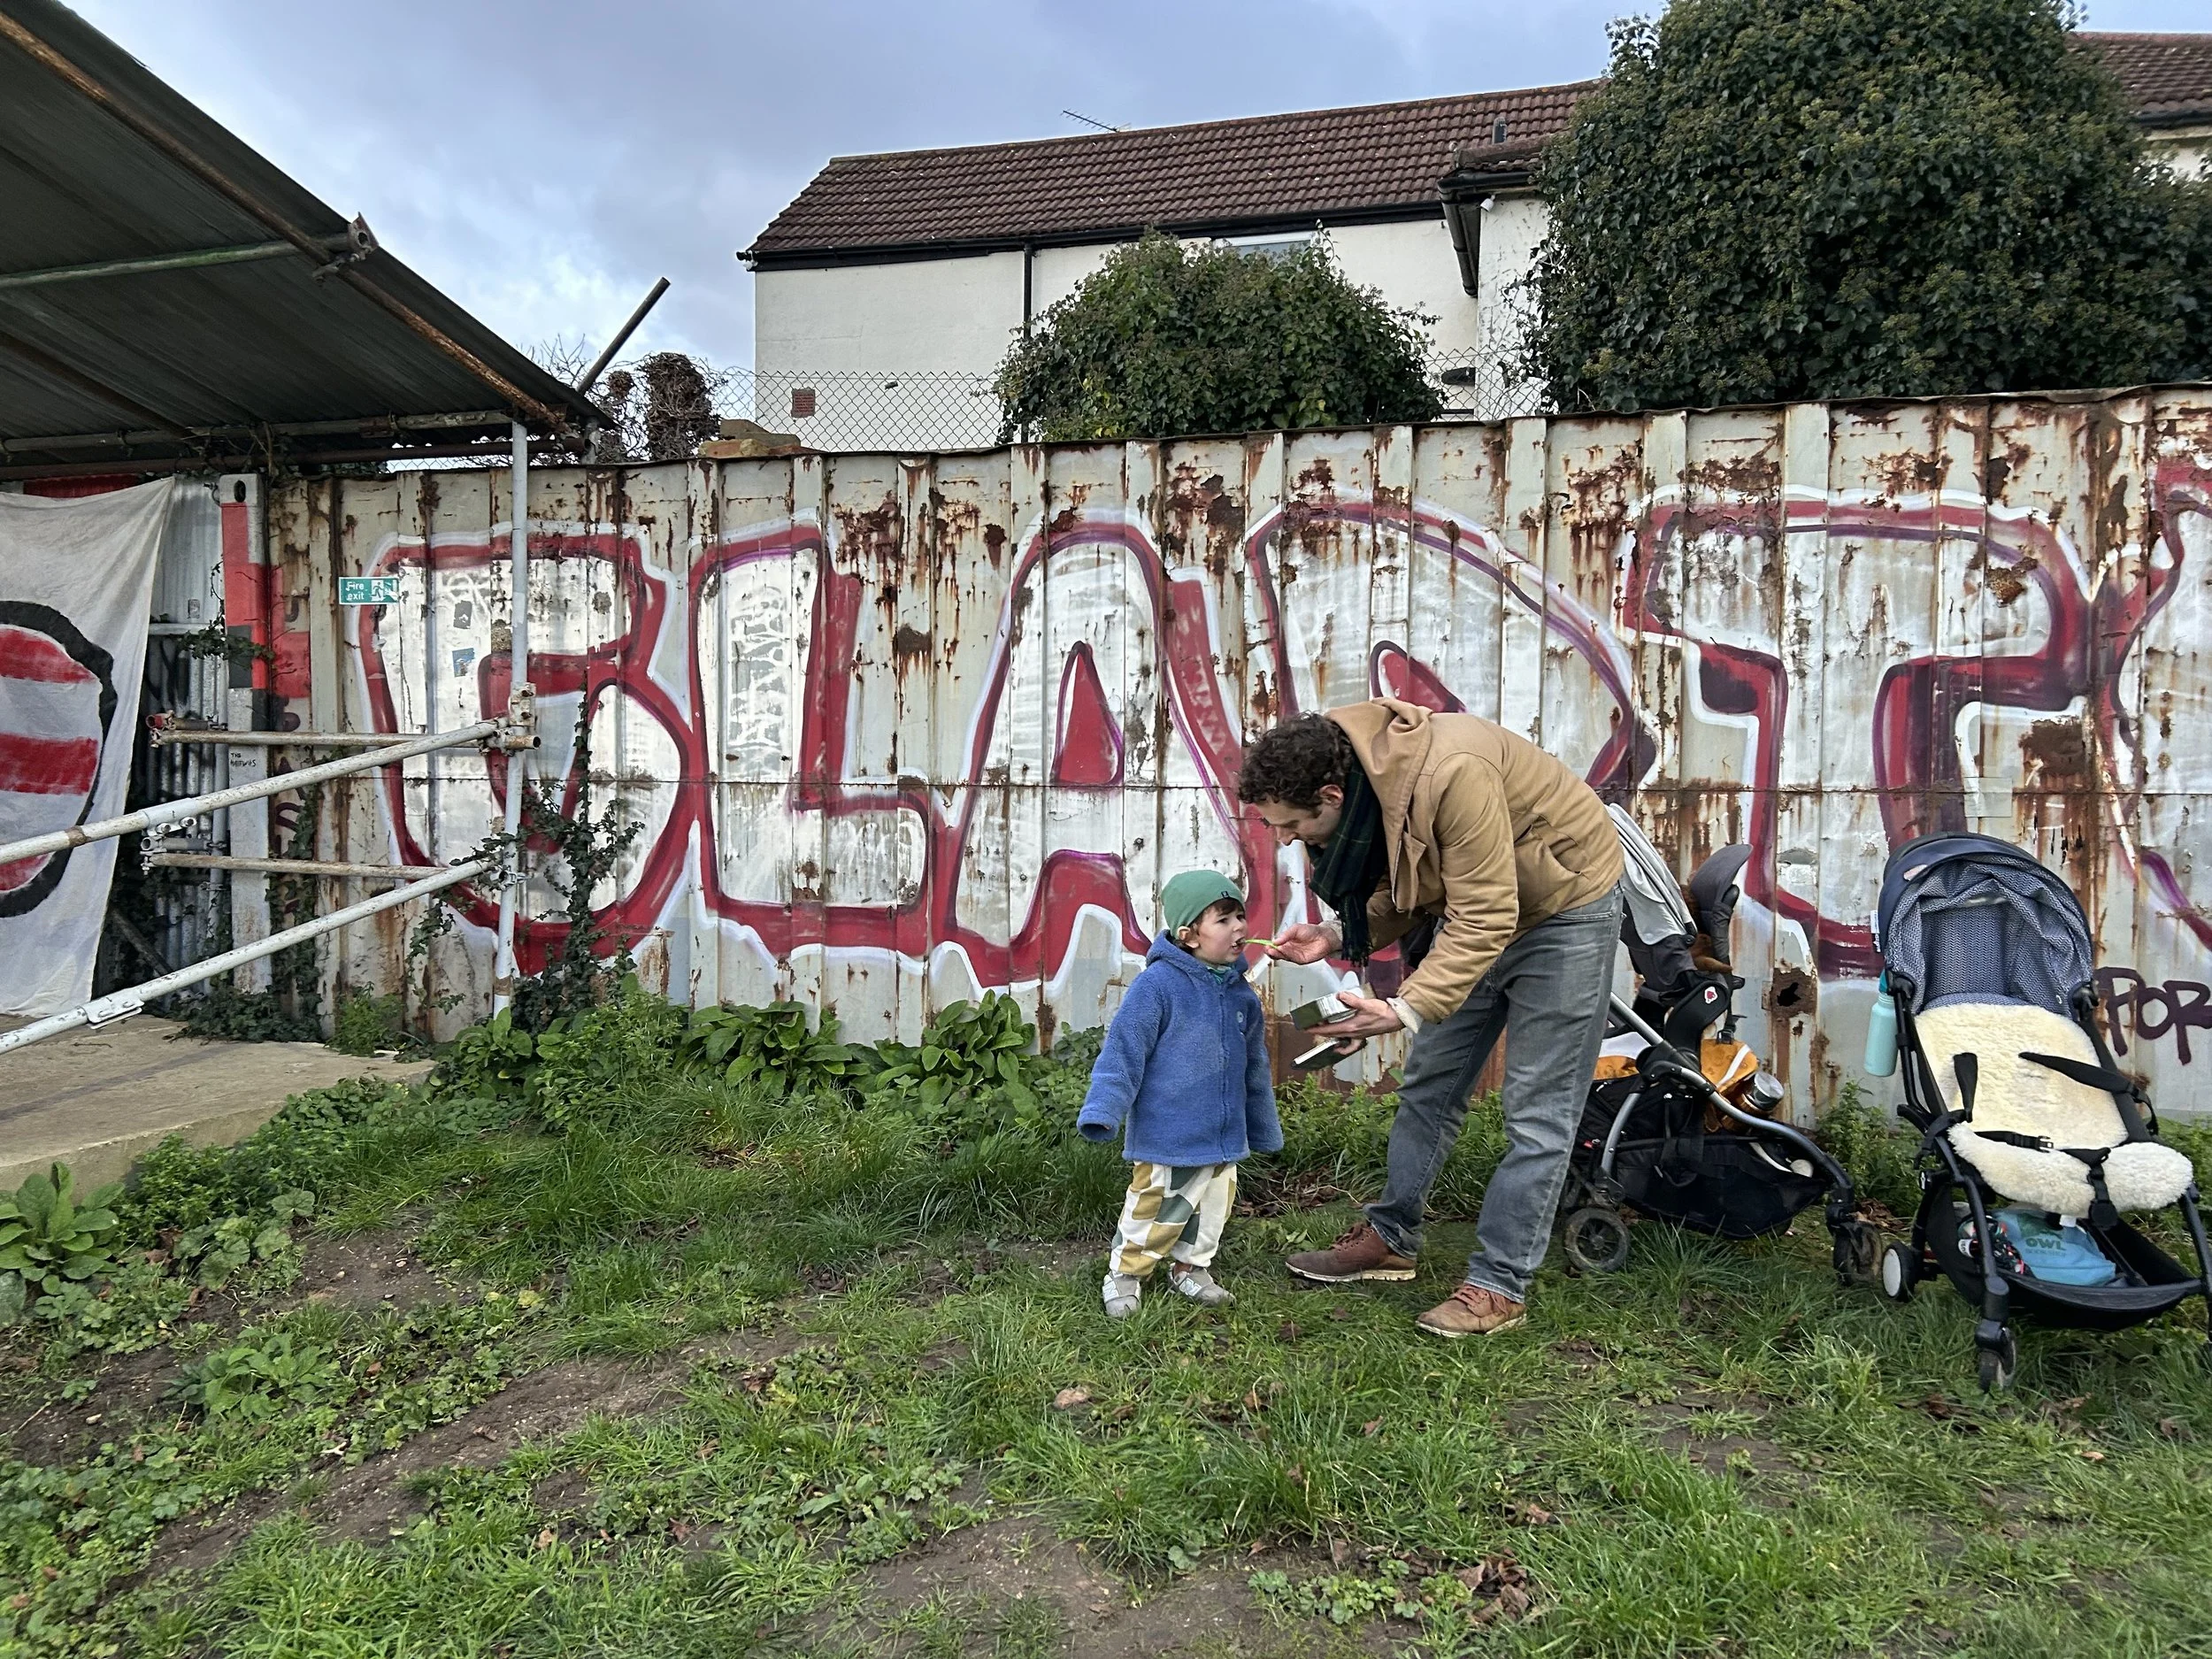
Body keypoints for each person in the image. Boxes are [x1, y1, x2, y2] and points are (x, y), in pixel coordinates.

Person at [1239, 702, 1624, 1339]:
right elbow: (1420, 880)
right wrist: (1334, 933)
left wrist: (1405, 1006)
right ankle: (1391, 1237)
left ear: (1331, 796)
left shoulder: (1452, 773)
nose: (1283, 839)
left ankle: (1499, 1284)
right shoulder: (1363, 776)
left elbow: (1485, 913)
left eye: (1292, 824)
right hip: (1485, 908)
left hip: (1565, 908)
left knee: (1537, 1112)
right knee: (1429, 1085)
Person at [1078, 870, 1283, 1319]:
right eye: (1224, 920)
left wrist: (1261, 1125)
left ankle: (1191, 1268)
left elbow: (1254, 1067)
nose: (1240, 929)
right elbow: (1124, 1051)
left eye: (1241, 917)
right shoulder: (1158, 987)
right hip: (1169, 1132)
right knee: (1154, 1211)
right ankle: (1125, 1274)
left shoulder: (1240, 996)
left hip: (1223, 1133)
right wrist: (1103, 1108)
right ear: (1189, 935)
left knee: (1211, 1209)